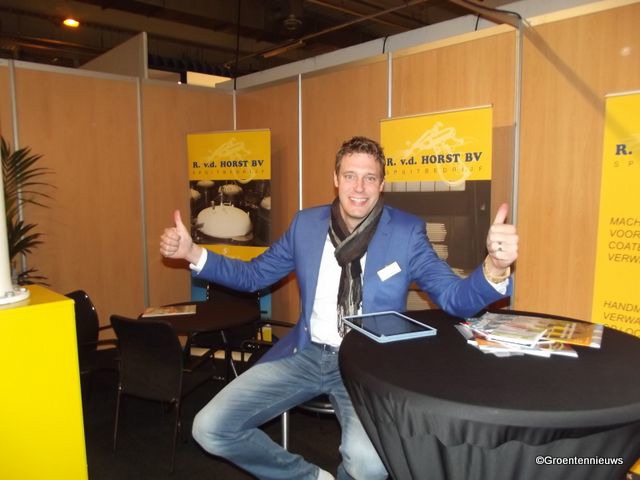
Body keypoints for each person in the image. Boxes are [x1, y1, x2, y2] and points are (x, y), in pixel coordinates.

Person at [160, 136, 518, 480]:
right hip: (306, 354)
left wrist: (494, 268)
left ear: (382, 184)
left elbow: (454, 297)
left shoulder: (406, 233)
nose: (359, 187)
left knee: (368, 466)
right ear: (336, 179)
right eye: (350, 176)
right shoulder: (306, 225)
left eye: (369, 178)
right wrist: (194, 253)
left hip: (368, 362)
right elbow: (254, 275)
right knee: (210, 427)